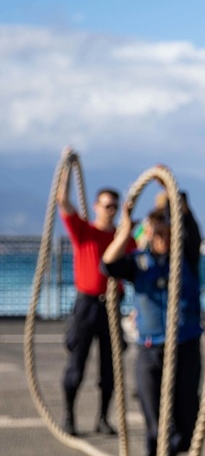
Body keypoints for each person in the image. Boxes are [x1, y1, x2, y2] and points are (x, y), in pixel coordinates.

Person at [102, 197, 203, 456]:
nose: (160, 239)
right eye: (155, 233)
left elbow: (193, 231)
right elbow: (108, 265)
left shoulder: (186, 257)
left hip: (185, 348)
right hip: (149, 351)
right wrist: (126, 233)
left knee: (185, 423)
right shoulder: (138, 262)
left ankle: (171, 451)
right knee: (159, 424)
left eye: (165, 232)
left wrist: (175, 199)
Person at [56, 152, 132, 436]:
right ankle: (69, 416)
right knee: (76, 364)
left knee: (110, 368)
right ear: (97, 206)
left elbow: (143, 252)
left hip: (112, 306)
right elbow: (63, 202)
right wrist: (66, 167)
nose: (109, 210)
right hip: (86, 305)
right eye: (106, 205)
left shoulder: (124, 238)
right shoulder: (84, 232)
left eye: (114, 206)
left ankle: (103, 418)